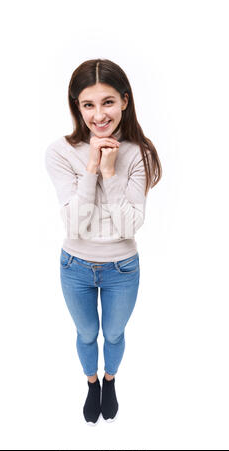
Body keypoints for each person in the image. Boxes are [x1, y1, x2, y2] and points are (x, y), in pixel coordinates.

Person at [45, 58, 162, 425]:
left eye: (108, 101)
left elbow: (129, 226)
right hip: (75, 266)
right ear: (76, 106)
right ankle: (91, 382)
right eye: (89, 104)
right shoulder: (60, 152)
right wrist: (92, 168)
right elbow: (75, 224)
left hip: (122, 268)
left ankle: (110, 380)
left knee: (112, 334)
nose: (99, 115)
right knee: (85, 333)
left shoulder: (139, 153)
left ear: (125, 101)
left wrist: (111, 172)